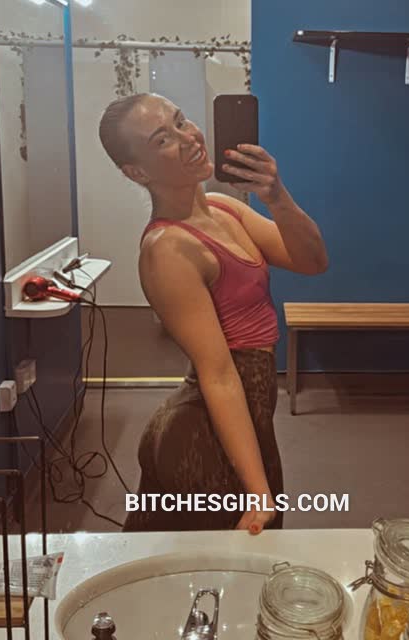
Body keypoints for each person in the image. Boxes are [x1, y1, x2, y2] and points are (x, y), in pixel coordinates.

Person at [98, 92, 328, 534]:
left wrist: (276, 196)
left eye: (181, 121)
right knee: (202, 565)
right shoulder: (168, 249)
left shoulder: (225, 209)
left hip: (246, 418)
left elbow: (313, 261)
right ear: (137, 172)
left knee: (225, 563)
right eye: (163, 139)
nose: (188, 138)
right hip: (202, 435)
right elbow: (218, 372)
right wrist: (258, 493)